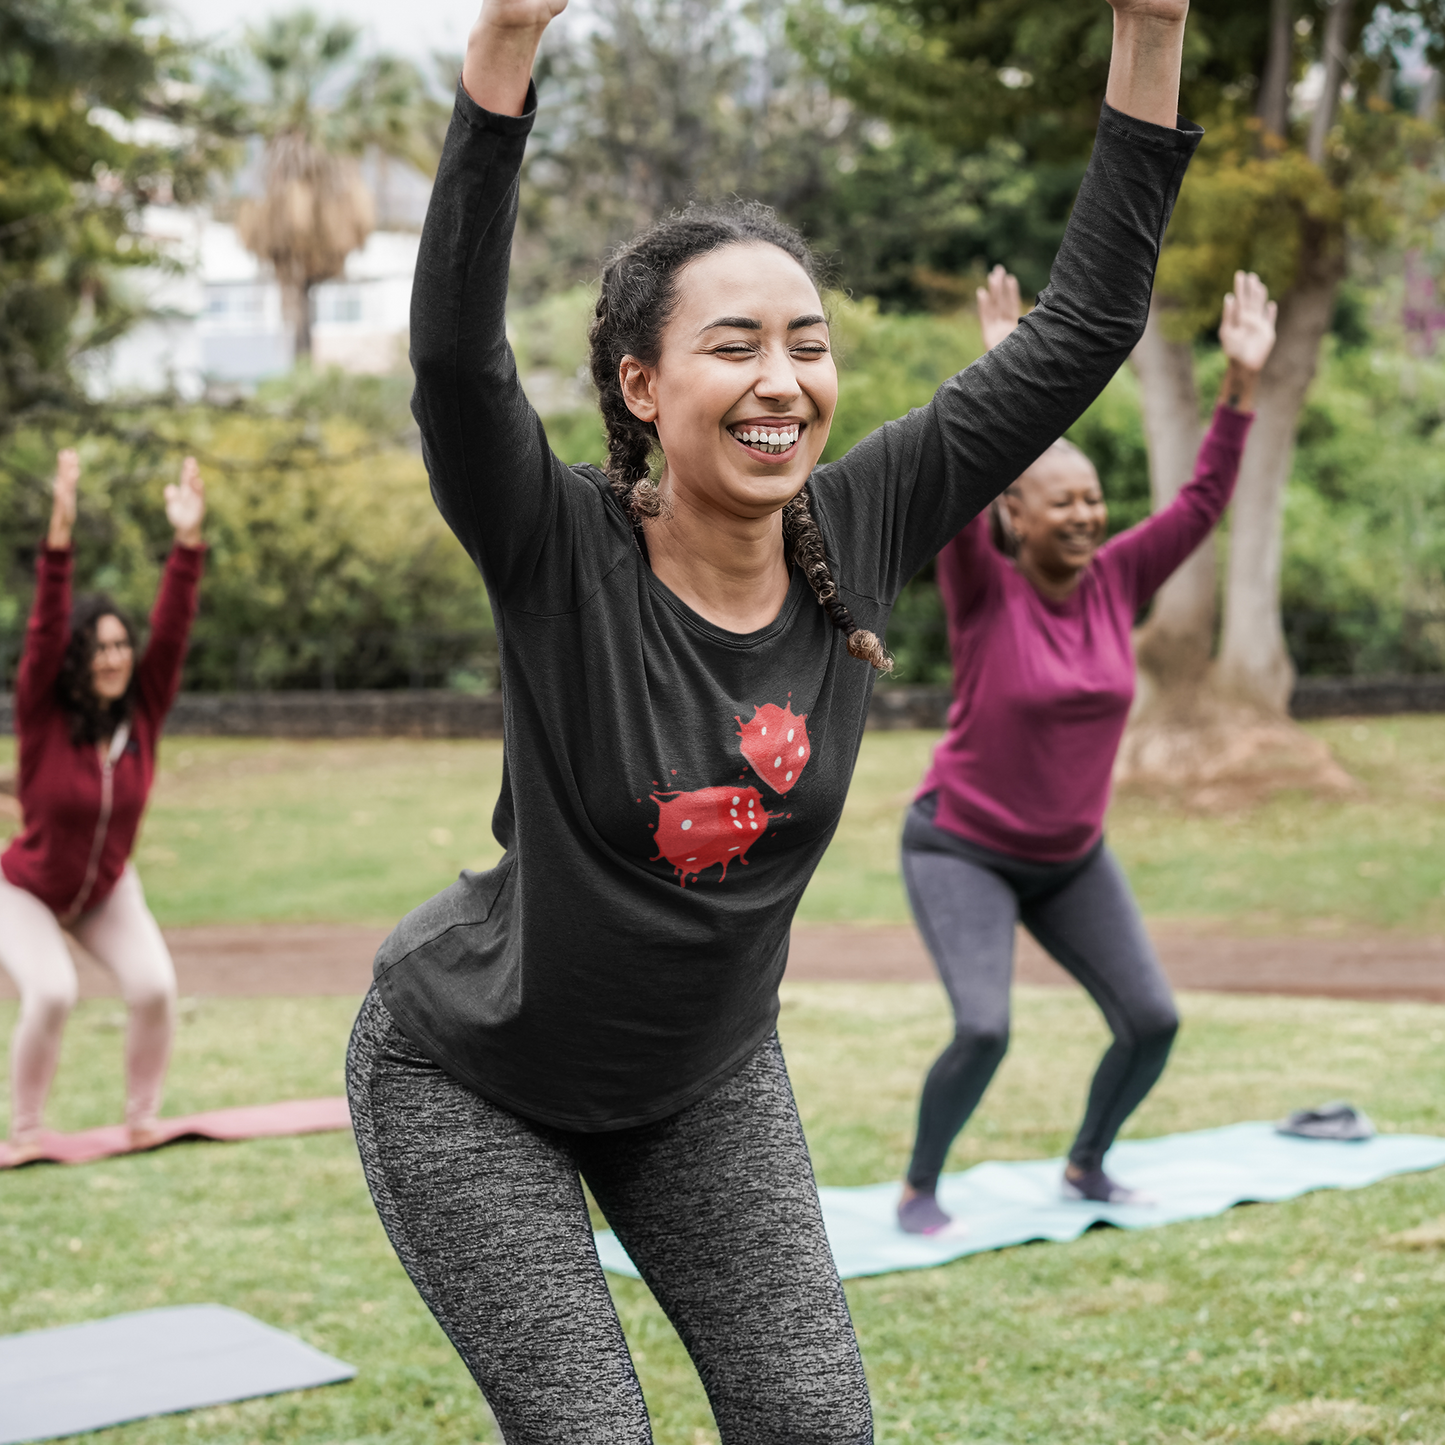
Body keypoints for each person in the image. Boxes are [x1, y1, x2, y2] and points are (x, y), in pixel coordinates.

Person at [345, 0, 1198, 1436]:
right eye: (732, 346)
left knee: (814, 1422)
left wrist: (1153, 27)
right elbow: (454, 366)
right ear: (640, 383)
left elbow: (1089, 325)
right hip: (469, 1074)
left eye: (805, 345)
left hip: (702, 1077)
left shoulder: (861, 522)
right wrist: (501, 53)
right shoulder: (555, 545)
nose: (781, 382)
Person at [895, 268, 1277, 1236]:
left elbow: (1198, 502)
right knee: (983, 1026)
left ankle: (1085, 1165)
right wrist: (1001, 377)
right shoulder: (980, 585)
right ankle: (918, 1186)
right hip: (961, 845)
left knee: (1151, 1019)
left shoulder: (1117, 579)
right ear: (1013, 515)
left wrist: (1238, 383)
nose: (1082, 514)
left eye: (1091, 499)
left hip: (1068, 857)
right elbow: (966, 469)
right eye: (1058, 502)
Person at [1, 449, 206, 1163]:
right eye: (100, 647)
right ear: (79, 657)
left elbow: (173, 632)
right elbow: (44, 627)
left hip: (105, 888)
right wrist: (60, 526)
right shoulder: (42, 713)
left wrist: (187, 543)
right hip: (23, 888)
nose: (115, 657)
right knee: (51, 990)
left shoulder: (143, 712)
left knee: (154, 985)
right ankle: (26, 1132)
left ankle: (141, 1118)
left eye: (122, 644)